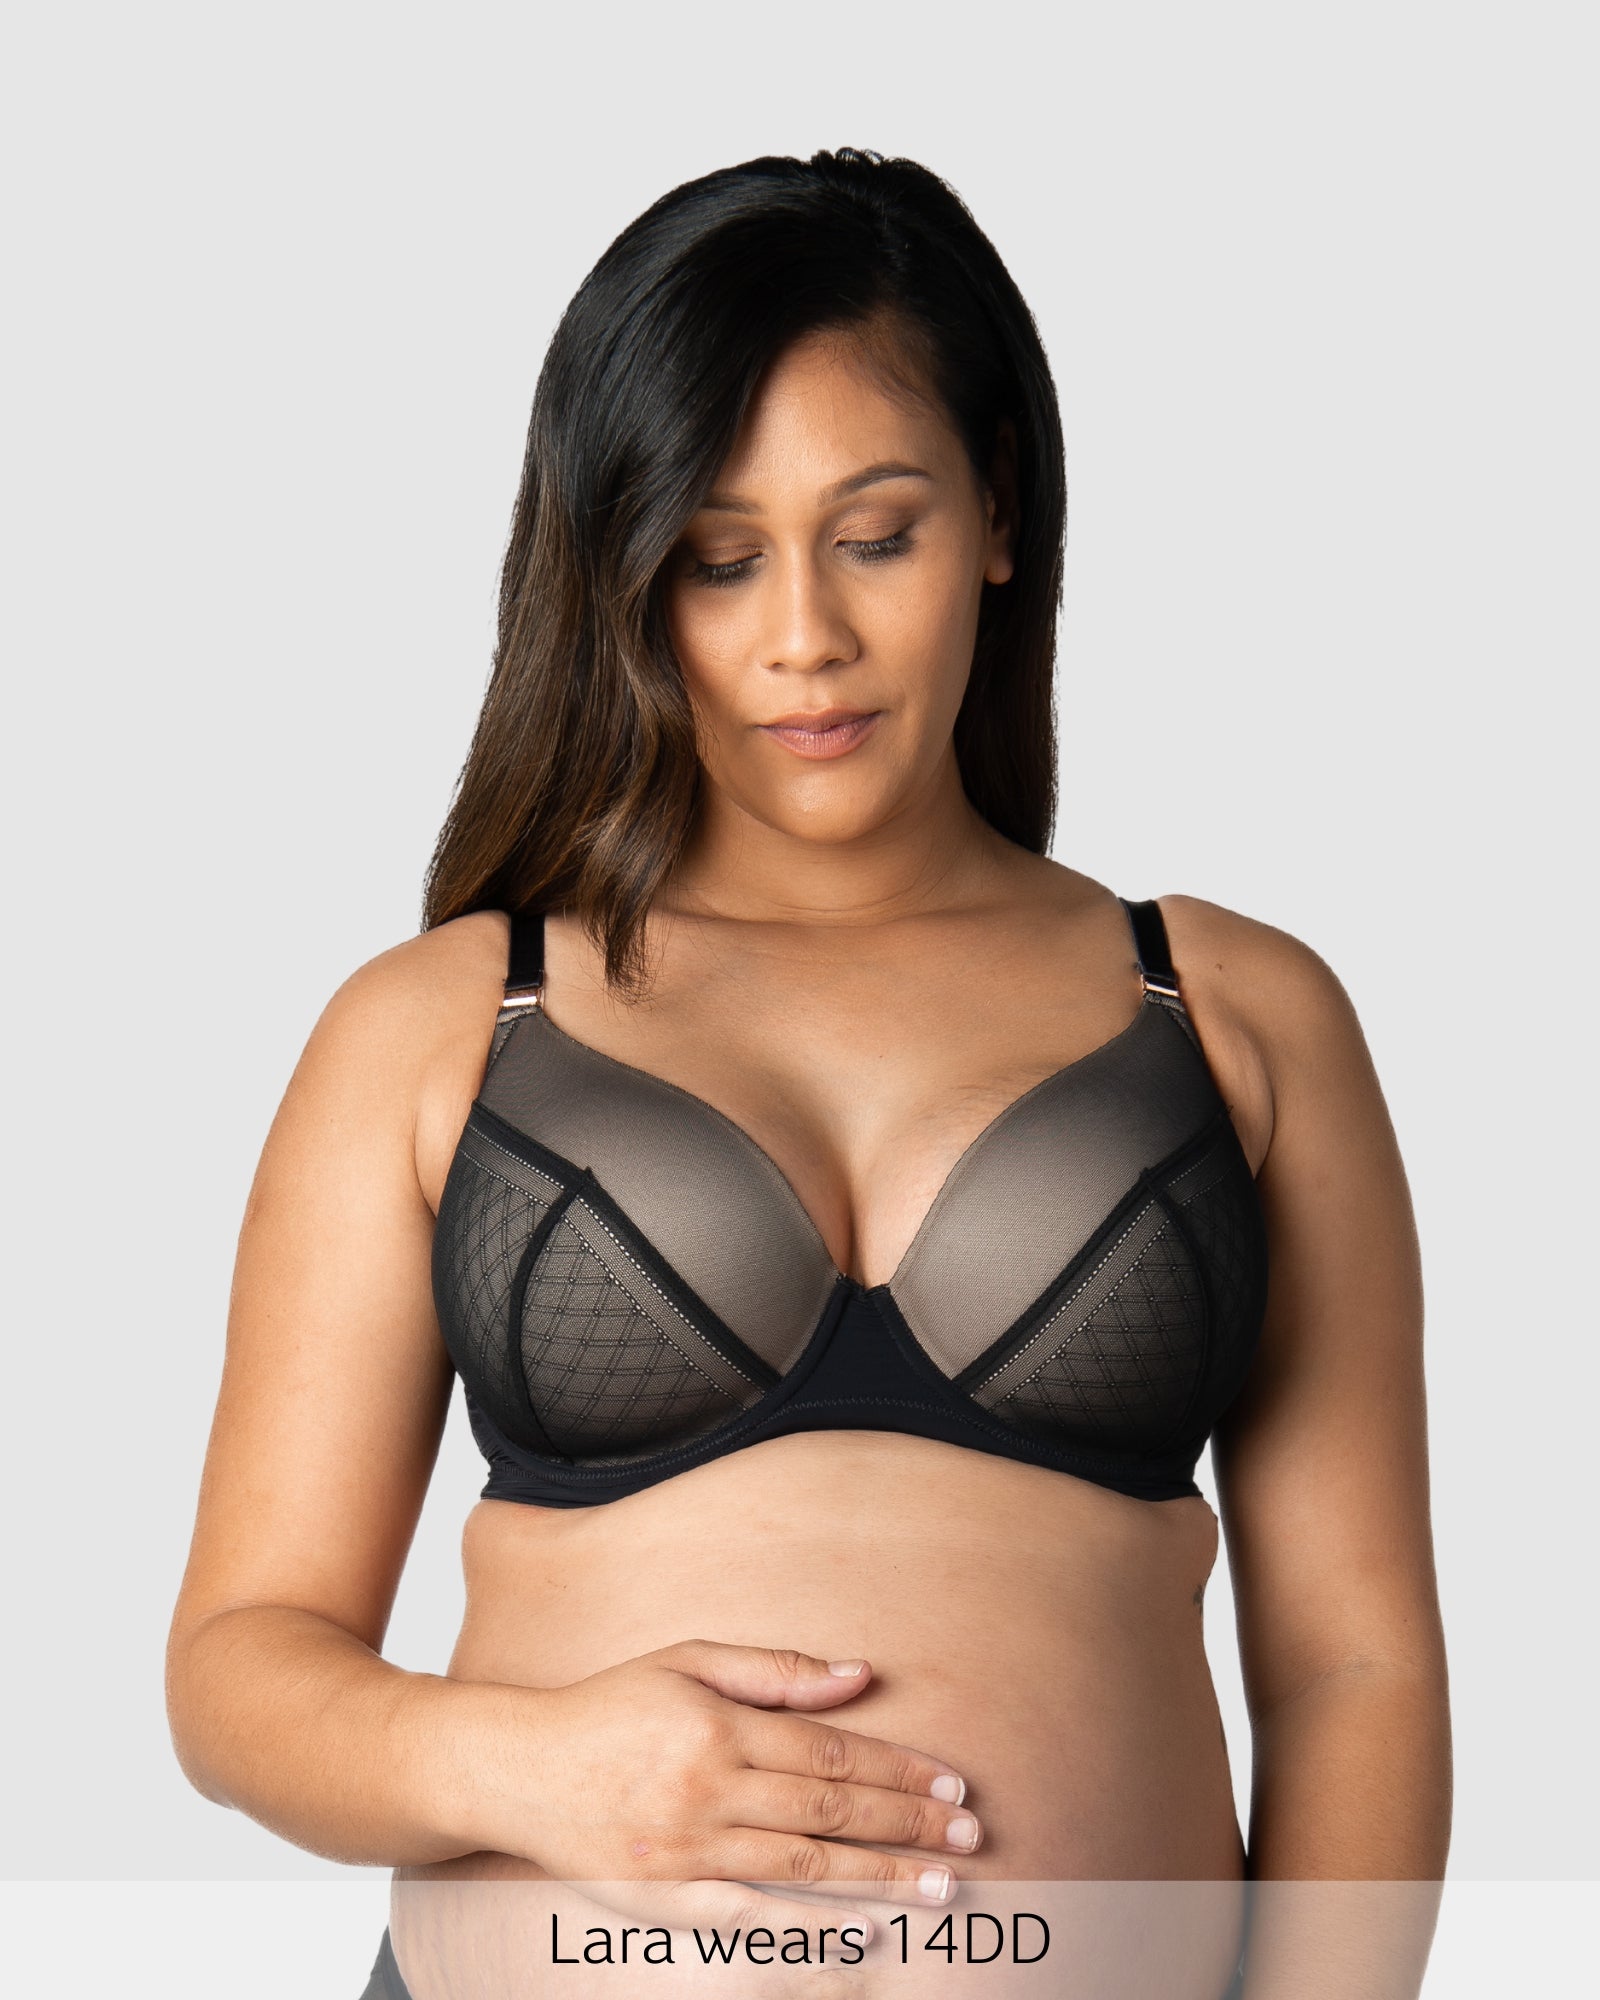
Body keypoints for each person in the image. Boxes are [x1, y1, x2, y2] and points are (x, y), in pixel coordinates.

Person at [165, 149, 1451, 1998]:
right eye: (717, 559)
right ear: (625, 575)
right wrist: (538, 1767)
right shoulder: (445, 1025)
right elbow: (239, 1666)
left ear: (997, 509)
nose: (804, 640)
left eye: (877, 535)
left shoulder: (1233, 1011)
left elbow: (1353, 1667)